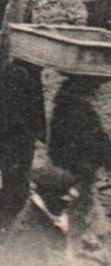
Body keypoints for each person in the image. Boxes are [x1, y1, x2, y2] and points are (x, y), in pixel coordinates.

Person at [0, 49, 45, 243]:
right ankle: (0, 230)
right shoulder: (31, 78)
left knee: (11, 182)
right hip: (18, 141)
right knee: (16, 186)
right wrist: (45, 137)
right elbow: (37, 114)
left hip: (1, 139)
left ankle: (1, 226)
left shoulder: (5, 71)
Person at [47, 74, 110, 247]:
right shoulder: (84, 113)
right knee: (80, 210)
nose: (96, 93)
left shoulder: (62, 107)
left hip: (67, 169)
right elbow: (99, 143)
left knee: (85, 208)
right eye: (94, 88)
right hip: (80, 174)